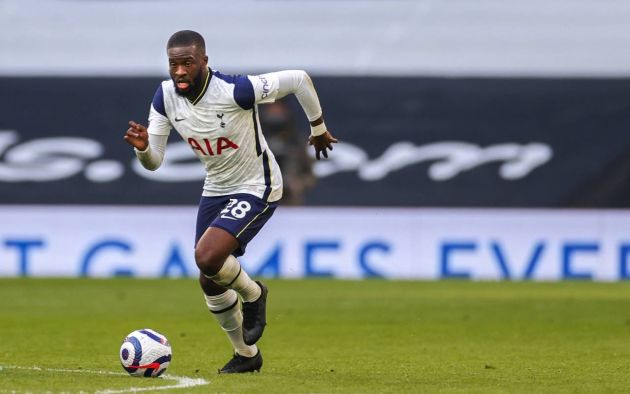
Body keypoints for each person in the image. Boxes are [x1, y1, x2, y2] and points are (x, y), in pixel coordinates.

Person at [123, 30, 338, 374]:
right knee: (209, 277)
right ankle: (247, 355)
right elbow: (155, 162)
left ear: (204, 62)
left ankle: (254, 294)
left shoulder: (237, 91)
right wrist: (143, 148)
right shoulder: (164, 97)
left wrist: (318, 128)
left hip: (258, 185)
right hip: (216, 187)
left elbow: (299, 79)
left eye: (187, 63)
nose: (179, 71)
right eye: (173, 64)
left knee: (207, 256)